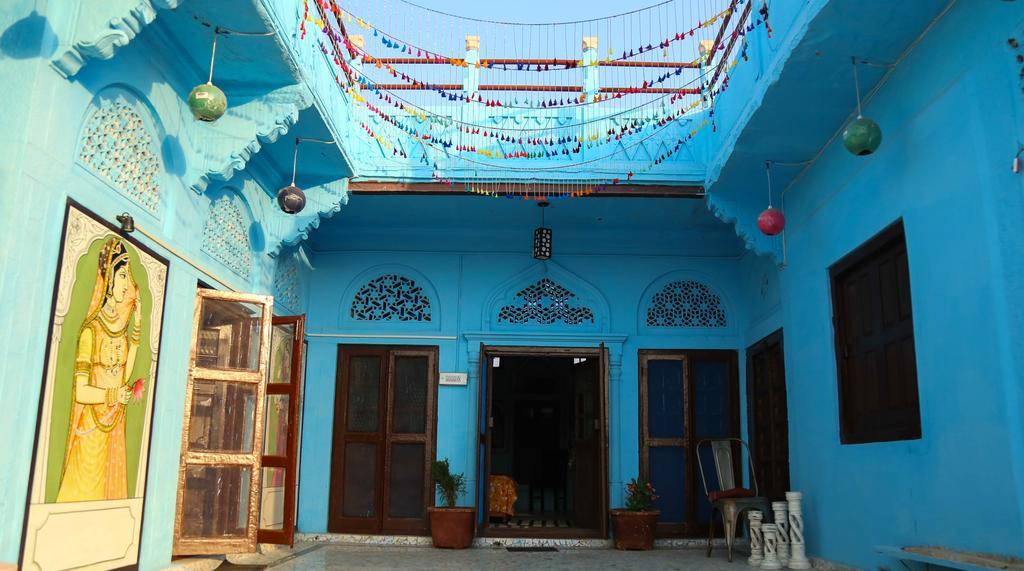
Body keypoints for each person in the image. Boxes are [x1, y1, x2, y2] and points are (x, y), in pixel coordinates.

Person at [56, 237, 142, 502]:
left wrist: (137, 328)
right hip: (90, 433)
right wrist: (112, 396)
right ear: (108, 280)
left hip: (112, 430)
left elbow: (123, 376)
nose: (128, 285)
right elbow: (81, 391)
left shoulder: (120, 333)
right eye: (123, 276)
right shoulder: (91, 332)